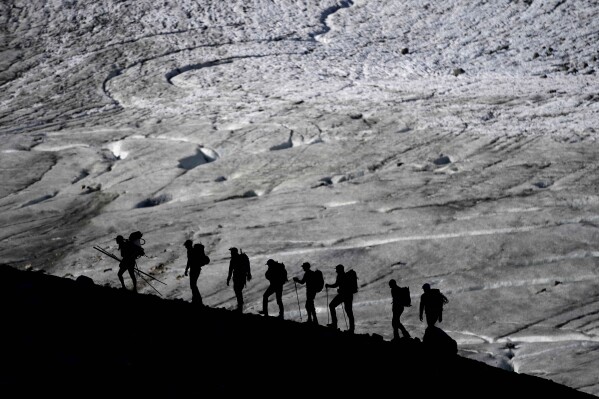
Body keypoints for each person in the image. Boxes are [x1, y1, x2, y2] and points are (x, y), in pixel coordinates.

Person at [325, 264, 355, 333]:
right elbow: (340, 285)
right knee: (349, 312)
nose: (336, 271)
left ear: (339, 270)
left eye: (337, 269)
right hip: (348, 295)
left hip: (343, 295)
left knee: (332, 305)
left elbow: (336, 285)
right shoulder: (345, 276)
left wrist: (329, 285)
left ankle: (334, 324)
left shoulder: (340, 276)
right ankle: (351, 329)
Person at [184, 240, 209, 305]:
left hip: (194, 269)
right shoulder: (192, 250)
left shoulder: (190, 251)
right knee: (193, 285)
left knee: (193, 285)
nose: (185, 247)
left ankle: (198, 300)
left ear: (188, 245)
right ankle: (196, 300)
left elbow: (189, 261)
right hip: (197, 269)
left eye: (186, 245)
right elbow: (189, 261)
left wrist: (186, 270)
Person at [227, 247, 252, 312]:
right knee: (238, 290)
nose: (231, 253)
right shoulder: (241, 258)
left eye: (231, 252)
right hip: (241, 277)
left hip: (238, 277)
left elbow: (230, 270)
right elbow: (248, 266)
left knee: (237, 290)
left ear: (234, 252)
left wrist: (228, 279)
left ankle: (240, 307)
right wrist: (249, 274)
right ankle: (240, 306)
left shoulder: (234, 259)